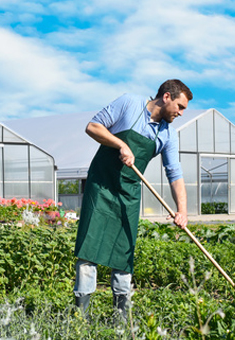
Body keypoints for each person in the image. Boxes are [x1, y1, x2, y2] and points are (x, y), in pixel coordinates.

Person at [73, 79, 192, 318]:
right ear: (167, 97)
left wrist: (182, 210)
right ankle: (80, 319)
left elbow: (175, 173)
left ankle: (120, 318)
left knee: (124, 251)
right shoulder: (129, 103)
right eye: (180, 107)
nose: (180, 113)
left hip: (129, 193)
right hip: (102, 186)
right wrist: (120, 144)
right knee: (89, 249)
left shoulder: (168, 134)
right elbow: (92, 127)